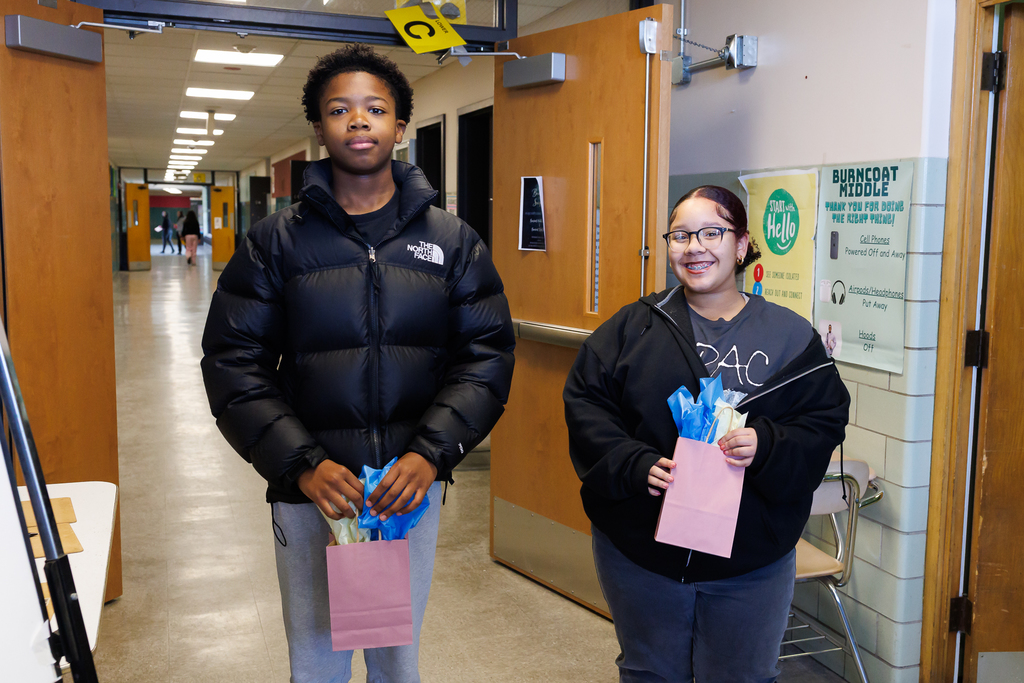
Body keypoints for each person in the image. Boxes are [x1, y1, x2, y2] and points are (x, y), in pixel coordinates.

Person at [201, 44, 515, 683]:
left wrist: (430, 453)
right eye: (339, 109)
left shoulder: (451, 241)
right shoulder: (275, 242)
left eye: (376, 109)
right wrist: (302, 466)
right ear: (318, 127)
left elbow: (485, 355)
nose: (359, 121)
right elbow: (235, 362)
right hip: (313, 494)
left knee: (398, 663)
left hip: (407, 490)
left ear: (400, 126)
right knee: (316, 663)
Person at [563, 185, 850, 683]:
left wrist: (767, 444)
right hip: (643, 552)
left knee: (742, 676)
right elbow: (587, 404)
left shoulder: (789, 337)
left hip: (751, 560)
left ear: (741, 246)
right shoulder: (634, 328)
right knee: (650, 672)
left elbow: (824, 420)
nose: (694, 246)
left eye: (711, 232)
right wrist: (633, 462)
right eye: (680, 235)